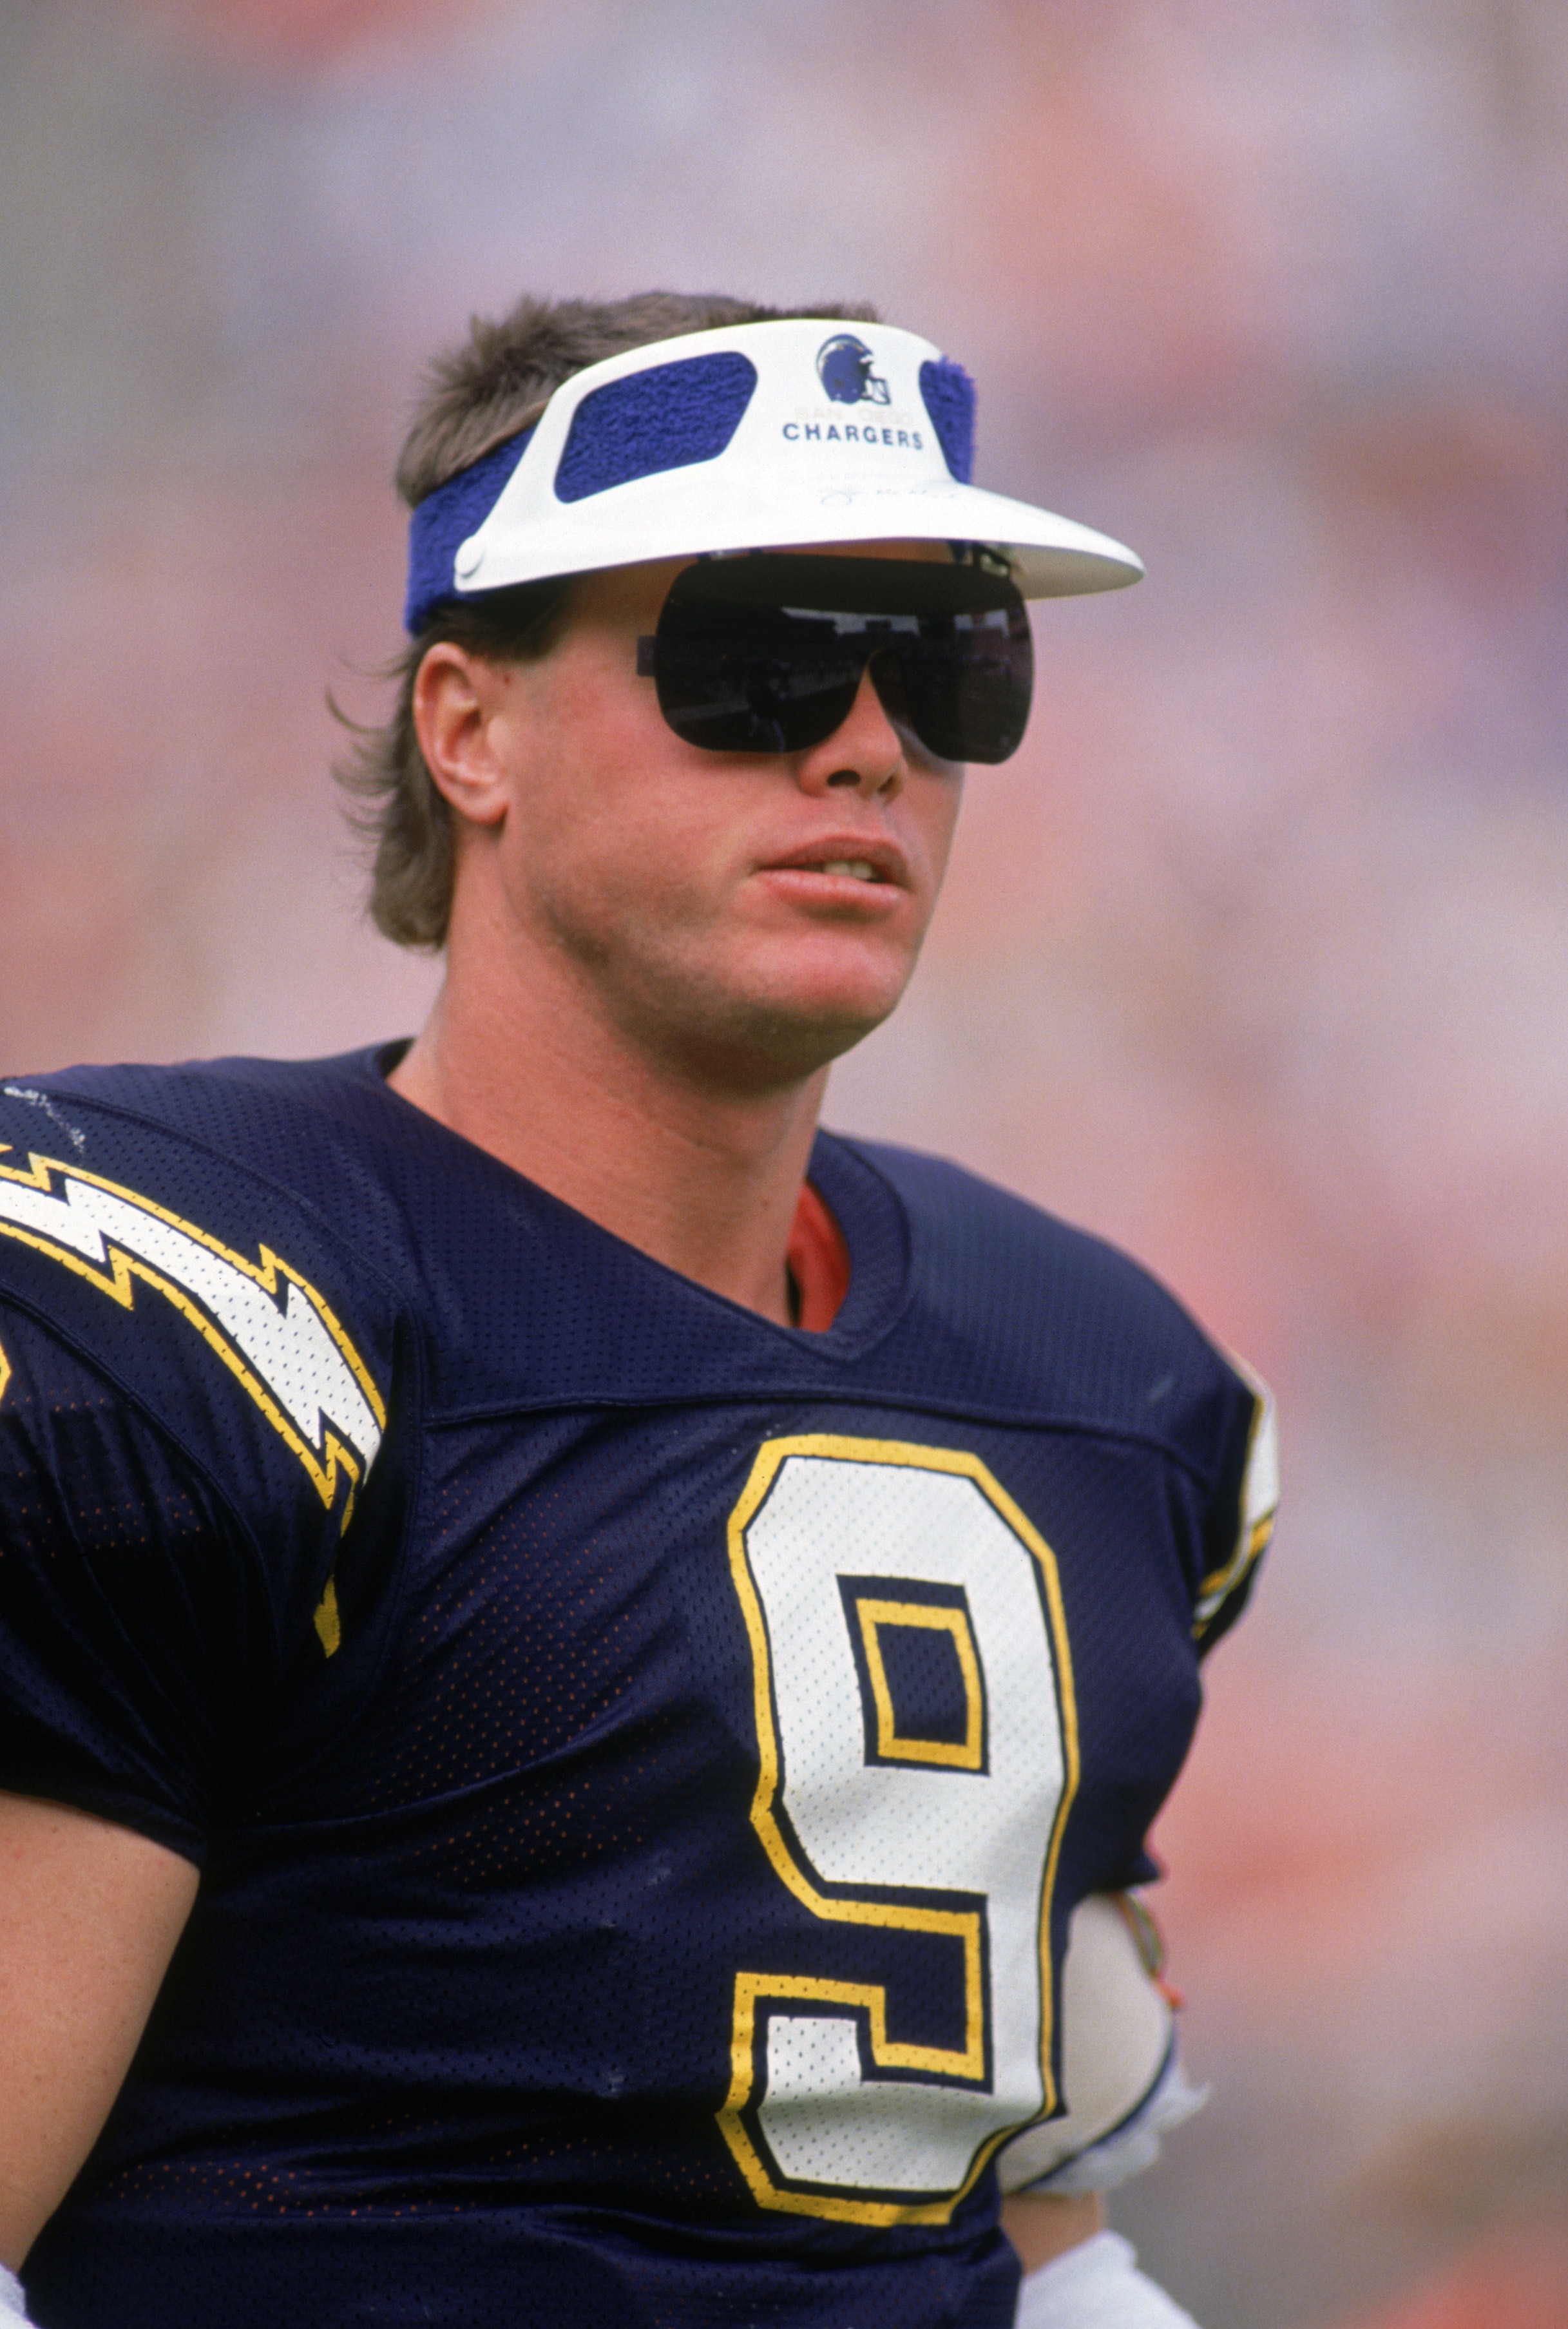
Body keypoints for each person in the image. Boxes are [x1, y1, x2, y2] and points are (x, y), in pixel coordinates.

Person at [0, 292, 1276, 2329]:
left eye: (947, 664)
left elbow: (1035, 2253)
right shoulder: (185, 1320)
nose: (866, 743)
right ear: (468, 729)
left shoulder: (1095, 1384)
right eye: (755, 660)